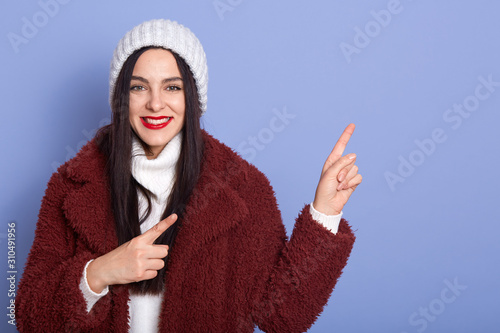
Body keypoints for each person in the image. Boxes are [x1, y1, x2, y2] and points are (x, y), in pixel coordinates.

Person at [16, 19, 362, 333]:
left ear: (194, 98)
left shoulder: (243, 188)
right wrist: (100, 273)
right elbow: (30, 317)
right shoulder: (71, 185)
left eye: (172, 87)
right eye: (138, 87)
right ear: (121, 97)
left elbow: (284, 316)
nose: (155, 104)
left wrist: (325, 214)